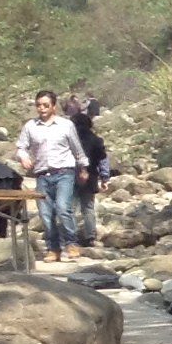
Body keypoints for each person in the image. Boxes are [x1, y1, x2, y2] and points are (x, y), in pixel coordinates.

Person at [15, 91, 89, 262]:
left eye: (46, 105)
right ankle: (53, 248)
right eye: (39, 105)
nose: (42, 108)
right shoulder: (30, 126)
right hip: (42, 174)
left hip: (64, 172)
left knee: (63, 208)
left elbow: (77, 148)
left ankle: (71, 243)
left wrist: (84, 167)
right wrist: (23, 157)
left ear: (53, 106)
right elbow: (21, 147)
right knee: (46, 214)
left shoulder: (66, 125)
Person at [65, 95, 108, 252]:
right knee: (88, 208)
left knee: (70, 207)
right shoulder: (97, 140)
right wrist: (105, 178)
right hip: (90, 178)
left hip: (70, 176)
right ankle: (90, 237)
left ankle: (71, 237)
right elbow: (103, 160)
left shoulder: (69, 140)